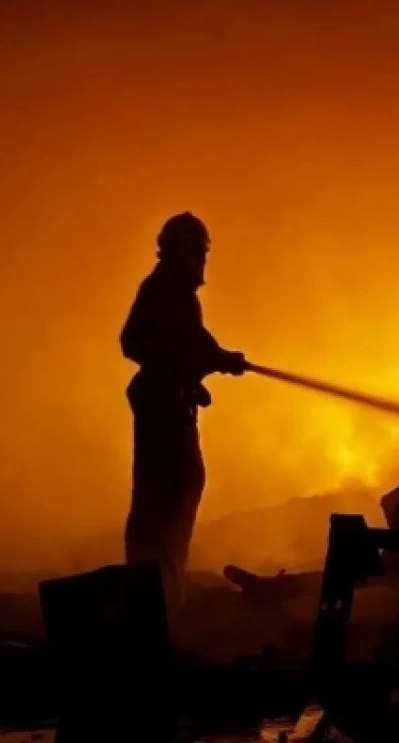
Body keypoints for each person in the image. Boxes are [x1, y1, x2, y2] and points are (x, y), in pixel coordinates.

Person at [119, 211, 247, 607]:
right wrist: (186, 367)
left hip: (172, 410)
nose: (202, 262)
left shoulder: (177, 296)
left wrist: (220, 358)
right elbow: (135, 342)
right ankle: (155, 600)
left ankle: (161, 597)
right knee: (166, 504)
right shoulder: (162, 291)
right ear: (178, 251)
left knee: (178, 496)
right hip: (164, 415)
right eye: (198, 253)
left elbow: (193, 340)